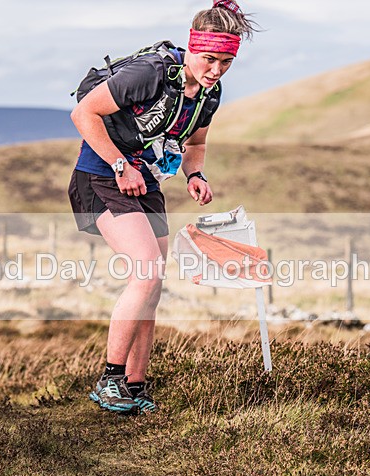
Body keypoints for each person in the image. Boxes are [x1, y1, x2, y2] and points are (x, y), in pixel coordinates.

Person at [68, 0, 257, 414]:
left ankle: (135, 385)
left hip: (145, 179)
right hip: (101, 175)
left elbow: (196, 142)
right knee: (146, 270)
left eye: (226, 62)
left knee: (152, 286)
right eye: (209, 59)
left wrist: (195, 175)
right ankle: (109, 379)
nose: (216, 70)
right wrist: (119, 165)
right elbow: (83, 113)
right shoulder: (151, 72)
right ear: (193, 46)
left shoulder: (209, 93)